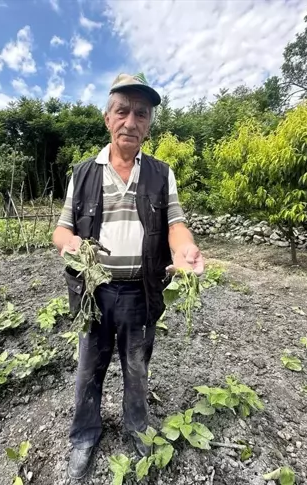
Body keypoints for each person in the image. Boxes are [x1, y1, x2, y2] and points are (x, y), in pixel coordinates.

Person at [52, 72, 204, 480]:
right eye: (123, 111)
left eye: (141, 113)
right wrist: (71, 246)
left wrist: (184, 250)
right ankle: (84, 435)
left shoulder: (160, 173)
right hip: (94, 292)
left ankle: (137, 430)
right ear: (108, 118)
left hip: (141, 291)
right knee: (89, 367)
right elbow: (62, 229)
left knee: (137, 368)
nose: (131, 122)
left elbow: (176, 224)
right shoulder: (84, 173)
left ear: (149, 123)